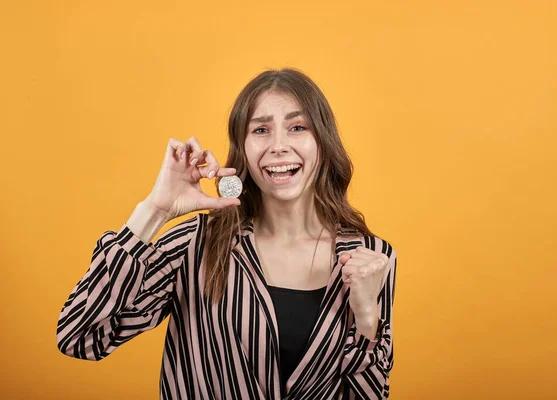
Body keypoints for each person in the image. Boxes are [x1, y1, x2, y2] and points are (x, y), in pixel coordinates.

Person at [56, 68, 397, 399]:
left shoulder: (371, 257)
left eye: (297, 127)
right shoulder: (195, 244)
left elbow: (368, 394)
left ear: (322, 142)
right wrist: (155, 210)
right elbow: (79, 336)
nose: (279, 145)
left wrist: (367, 317)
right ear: (243, 150)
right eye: (260, 130)